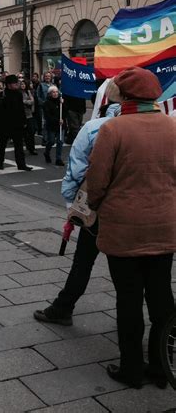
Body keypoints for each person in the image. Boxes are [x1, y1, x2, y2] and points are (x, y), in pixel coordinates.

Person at [86, 67, 176, 390]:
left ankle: (131, 370)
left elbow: (96, 183)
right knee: (162, 299)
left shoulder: (113, 129)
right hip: (164, 229)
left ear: (124, 97)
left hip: (124, 231)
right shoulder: (171, 127)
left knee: (128, 300)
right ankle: (162, 366)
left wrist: (93, 207)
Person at [33, 80, 122, 327]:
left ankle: (63, 307)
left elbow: (77, 168)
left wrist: (73, 205)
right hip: (139, 212)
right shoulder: (162, 127)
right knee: (131, 272)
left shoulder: (95, 128)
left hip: (99, 208)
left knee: (84, 260)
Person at [0, 74, 33, 171]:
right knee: (2, 144)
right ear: (9, 84)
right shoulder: (2, 95)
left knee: (19, 145)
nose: (17, 85)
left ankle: (21, 164)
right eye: (15, 83)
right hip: (5, 123)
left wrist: (24, 121)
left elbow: (21, 109)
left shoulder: (18, 94)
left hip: (17, 123)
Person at [43, 85, 64, 166]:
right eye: (53, 92)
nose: (55, 94)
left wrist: (63, 104)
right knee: (51, 141)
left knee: (60, 141)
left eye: (56, 92)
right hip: (52, 125)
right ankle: (46, 152)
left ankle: (58, 158)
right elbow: (47, 116)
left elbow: (64, 112)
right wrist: (56, 120)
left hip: (61, 125)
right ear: (50, 93)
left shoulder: (60, 102)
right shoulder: (47, 103)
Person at [37, 72, 56, 143]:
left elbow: (57, 94)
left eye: (49, 76)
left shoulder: (54, 85)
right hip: (45, 107)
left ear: (51, 77)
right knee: (45, 123)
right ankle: (45, 139)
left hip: (53, 107)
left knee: (52, 122)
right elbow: (38, 96)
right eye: (46, 76)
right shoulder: (41, 85)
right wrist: (43, 103)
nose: (47, 77)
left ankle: (51, 138)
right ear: (44, 77)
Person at [20, 79, 38, 155]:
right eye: (21, 84)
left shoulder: (28, 92)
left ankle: (32, 148)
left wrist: (26, 101)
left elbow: (32, 101)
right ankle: (23, 149)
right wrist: (27, 101)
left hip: (29, 114)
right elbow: (21, 102)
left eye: (24, 84)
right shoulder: (19, 93)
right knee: (23, 133)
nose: (23, 86)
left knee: (31, 132)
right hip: (22, 115)